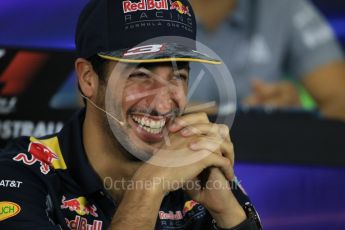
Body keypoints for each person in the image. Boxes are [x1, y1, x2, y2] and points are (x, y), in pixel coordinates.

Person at [0, 0, 261, 229]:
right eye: (139, 75)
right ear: (88, 78)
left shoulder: (198, 176)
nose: (161, 104)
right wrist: (148, 188)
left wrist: (227, 213)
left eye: (178, 75)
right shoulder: (20, 175)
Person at [189, 0, 345, 121]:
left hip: (256, 156)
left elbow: (340, 102)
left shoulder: (283, 7)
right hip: (169, 156)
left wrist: (297, 119)